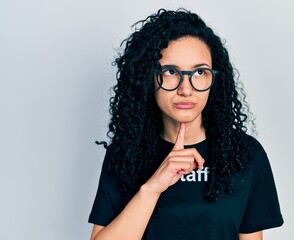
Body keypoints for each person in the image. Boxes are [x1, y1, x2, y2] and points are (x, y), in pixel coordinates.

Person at [88, 8, 283, 240]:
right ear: (148, 78)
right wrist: (152, 189)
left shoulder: (246, 154)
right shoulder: (125, 154)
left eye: (199, 72)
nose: (186, 89)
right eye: (171, 72)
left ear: (214, 80)